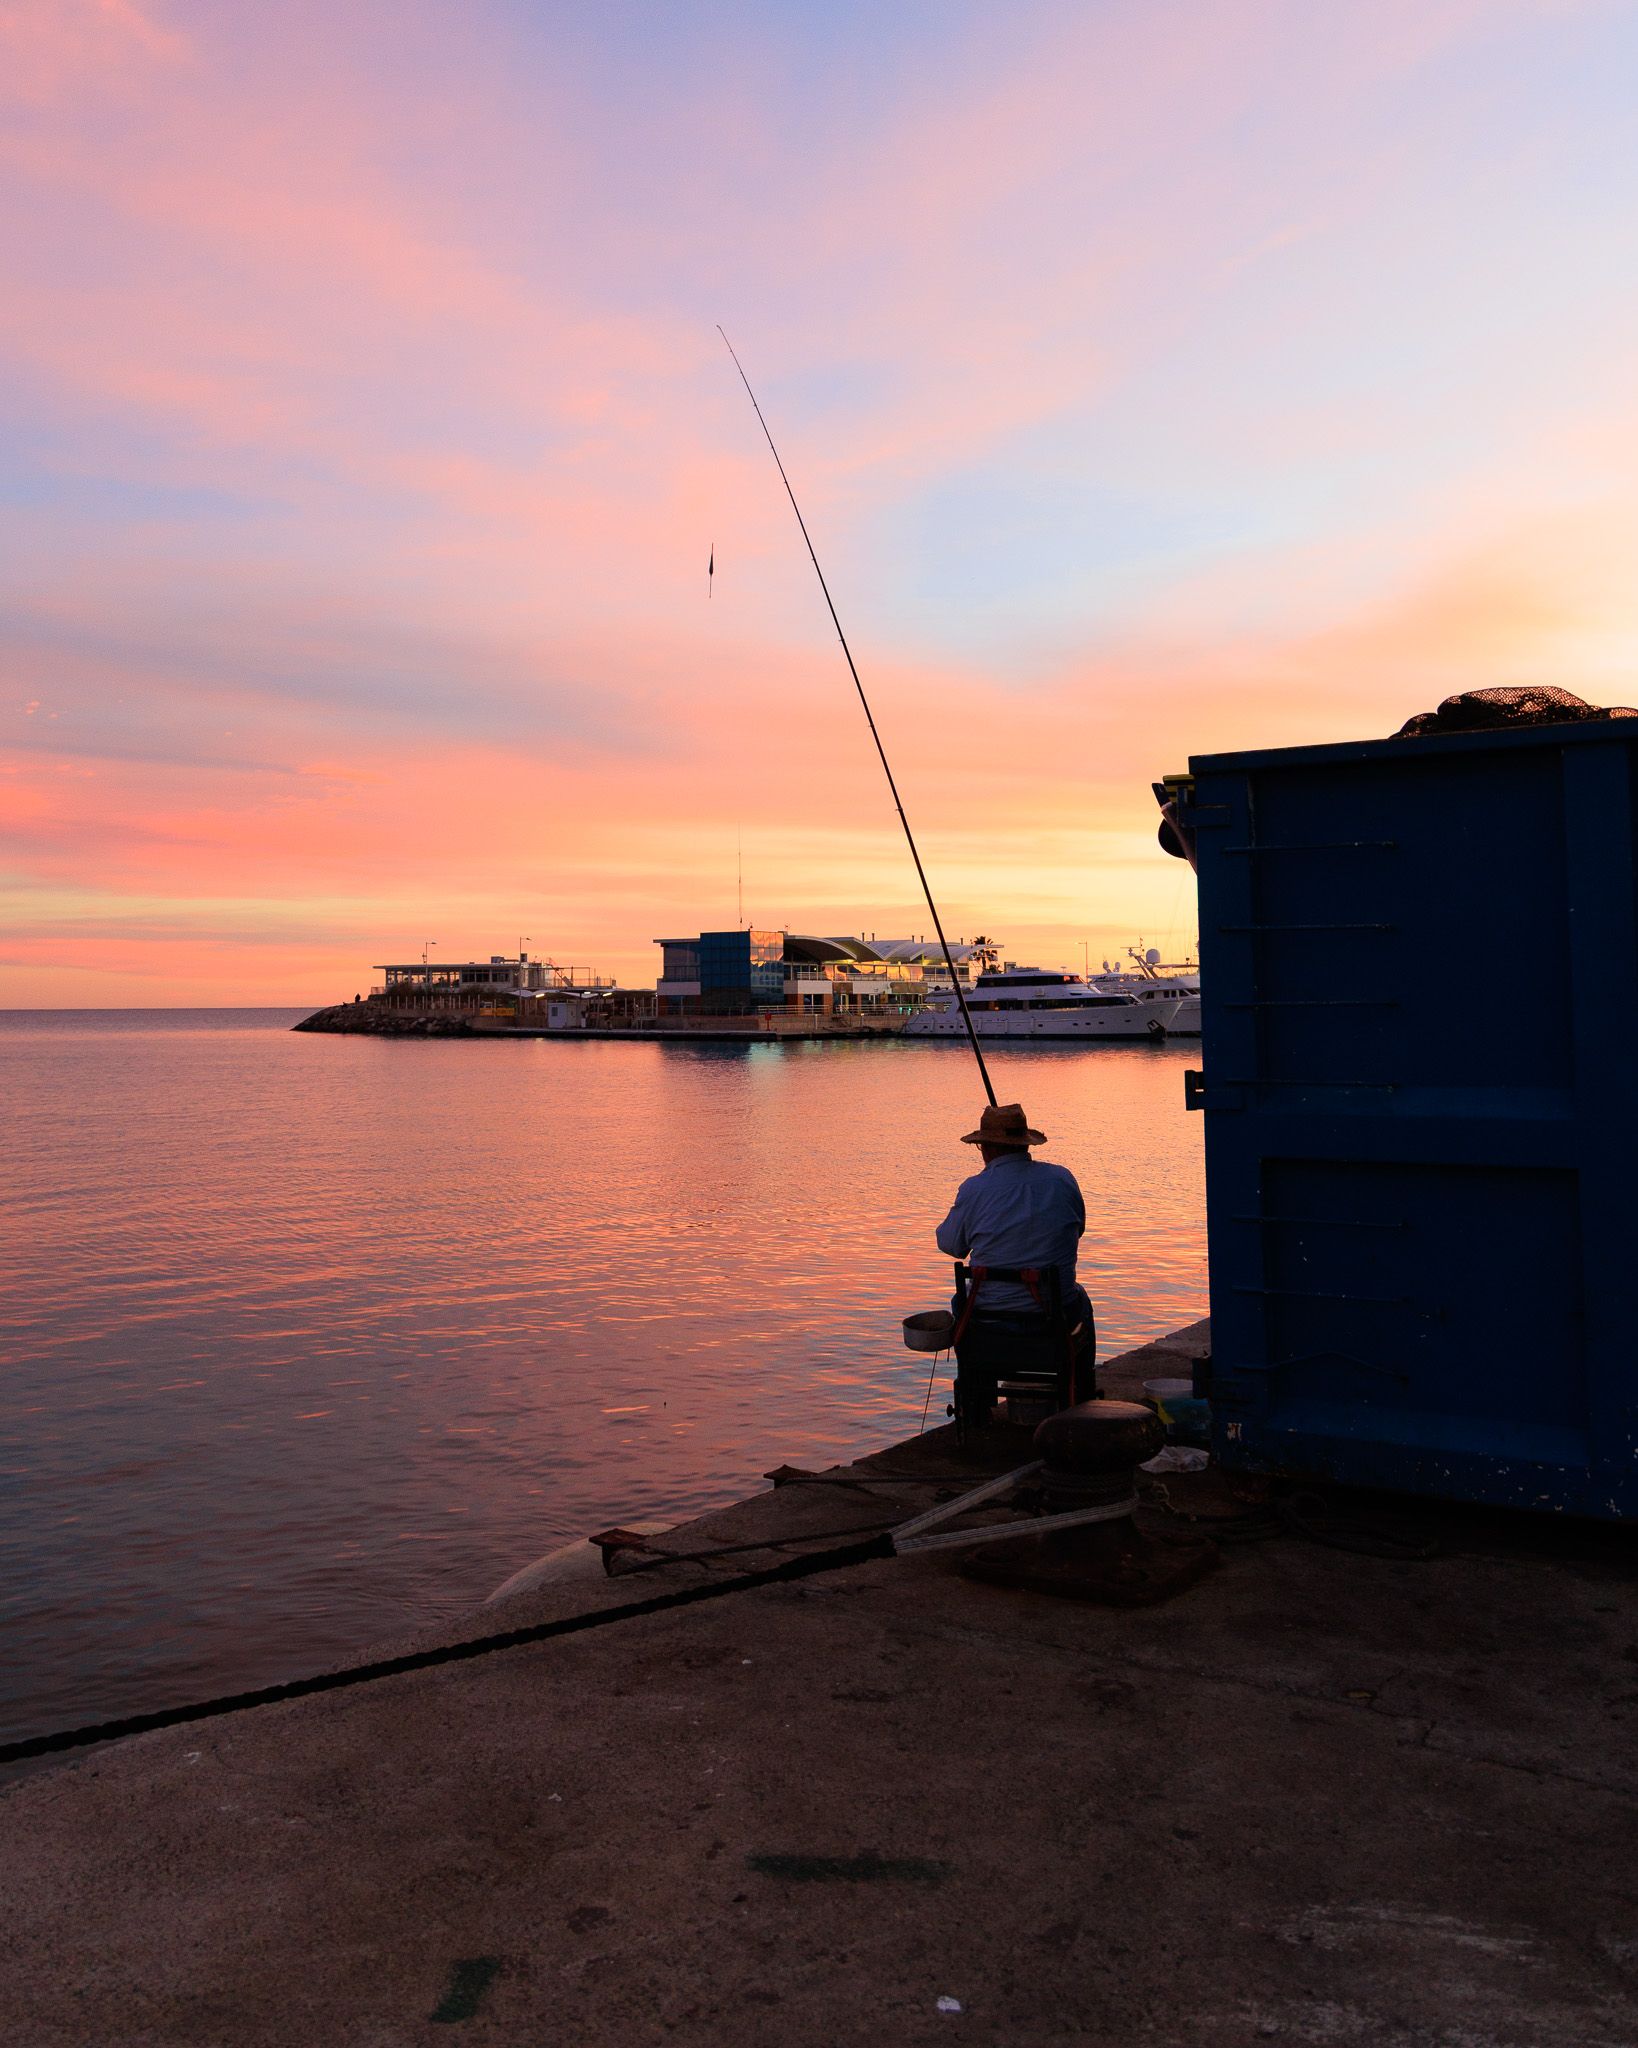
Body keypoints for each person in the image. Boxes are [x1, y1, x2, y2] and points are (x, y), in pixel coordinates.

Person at [935, 1100, 1094, 1396]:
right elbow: (1078, 1229)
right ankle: (1080, 1390)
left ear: (987, 1148)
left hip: (989, 1319)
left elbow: (951, 1245)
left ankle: (978, 1393)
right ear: (1025, 1144)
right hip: (1052, 1317)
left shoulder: (974, 1188)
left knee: (960, 1301)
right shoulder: (1062, 1179)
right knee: (1080, 1299)